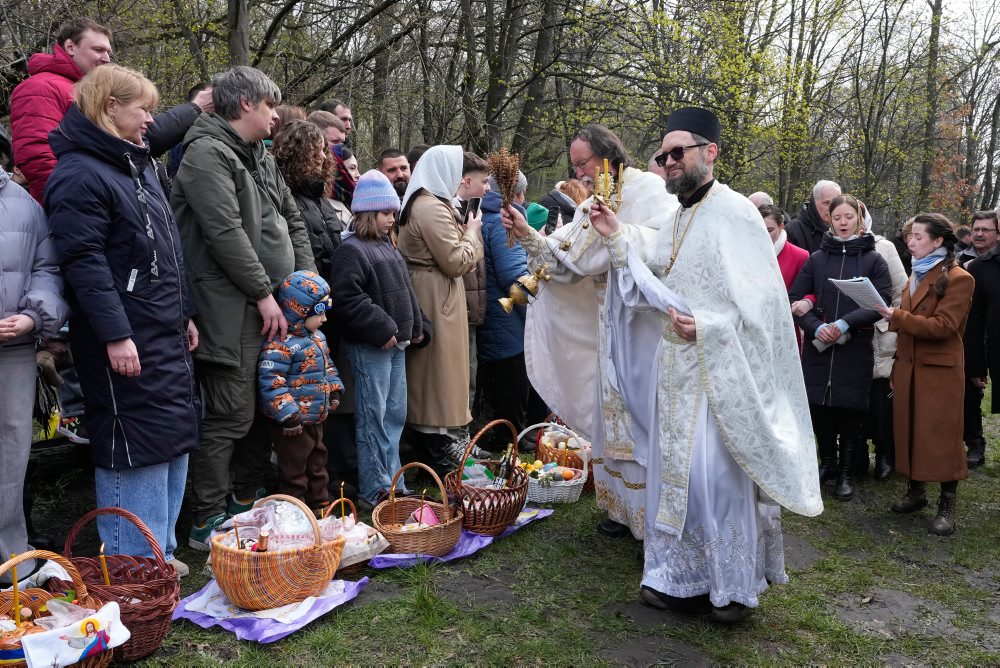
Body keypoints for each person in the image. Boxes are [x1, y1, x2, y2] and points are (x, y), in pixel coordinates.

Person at [504, 106, 822, 623]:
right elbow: (646, 256)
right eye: (663, 155)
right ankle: (681, 580)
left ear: (709, 153)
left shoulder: (736, 211)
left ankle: (733, 589)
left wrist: (713, 327)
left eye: (679, 153)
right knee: (675, 475)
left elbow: (763, 306)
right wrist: (613, 230)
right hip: (674, 365)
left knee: (713, 476)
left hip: (719, 367)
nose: (669, 162)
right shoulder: (676, 216)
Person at [47, 64, 198, 575]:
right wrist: (116, 334)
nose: (150, 122)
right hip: (126, 336)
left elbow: (168, 251)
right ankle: (132, 569)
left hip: (162, 330)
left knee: (171, 443)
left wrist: (187, 314)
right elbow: (84, 263)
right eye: (143, 110)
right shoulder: (79, 175)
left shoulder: (137, 166)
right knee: (133, 449)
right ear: (111, 107)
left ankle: (162, 556)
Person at [172, 65, 316, 550]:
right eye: (270, 105)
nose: (276, 115)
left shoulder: (259, 154)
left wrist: (305, 285)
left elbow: (290, 216)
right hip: (230, 308)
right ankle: (207, 518)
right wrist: (262, 292)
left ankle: (243, 499)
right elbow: (224, 232)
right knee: (231, 413)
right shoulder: (204, 154)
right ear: (245, 105)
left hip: (276, 304)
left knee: (264, 406)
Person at [523, 123, 674, 541]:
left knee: (641, 414)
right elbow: (571, 255)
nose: (579, 173)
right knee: (611, 415)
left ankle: (648, 513)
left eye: (582, 163)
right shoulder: (593, 199)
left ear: (607, 154)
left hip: (641, 324)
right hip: (608, 321)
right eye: (574, 166)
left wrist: (620, 234)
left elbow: (663, 246)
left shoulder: (648, 190)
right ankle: (620, 507)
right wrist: (529, 237)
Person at [10, 16, 213, 202]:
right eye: (98, 50)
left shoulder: (97, 90)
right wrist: (81, 203)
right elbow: (38, 158)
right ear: (70, 46)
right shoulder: (39, 87)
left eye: (108, 52)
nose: (106, 58)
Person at [329, 170, 424, 507]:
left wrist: (416, 325)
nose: (391, 219)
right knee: (374, 417)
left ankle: (393, 480)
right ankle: (375, 487)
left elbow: (404, 290)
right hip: (372, 347)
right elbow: (347, 298)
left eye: (393, 213)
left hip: (395, 346)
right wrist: (382, 328)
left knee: (394, 415)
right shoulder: (351, 250)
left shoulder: (386, 246)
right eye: (386, 213)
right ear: (368, 213)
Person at [788, 194, 892, 501]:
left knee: (849, 411)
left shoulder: (874, 260)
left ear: (859, 219)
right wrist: (816, 327)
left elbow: (881, 303)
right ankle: (828, 464)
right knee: (819, 407)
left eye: (849, 217)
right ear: (828, 221)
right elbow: (796, 296)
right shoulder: (816, 259)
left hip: (854, 345)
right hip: (819, 346)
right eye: (837, 218)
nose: (843, 223)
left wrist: (845, 323)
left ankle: (846, 472)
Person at [877, 213, 973, 535]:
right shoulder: (913, 275)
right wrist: (895, 364)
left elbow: (944, 327)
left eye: (918, 236)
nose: (911, 242)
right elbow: (907, 328)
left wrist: (898, 317)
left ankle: (947, 504)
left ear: (938, 241)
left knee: (942, 436)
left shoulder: (960, 278)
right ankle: (916, 493)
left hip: (939, 372)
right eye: (910, 236)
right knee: (910, 429)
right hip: (909, 366)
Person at [397, 146, 484, 476]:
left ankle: (443, 437)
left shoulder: (430, 203)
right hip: (433, 293)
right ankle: (438, 441)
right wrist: (473, 235)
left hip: (436, 290)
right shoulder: (430, 207)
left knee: (442, 369)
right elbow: (456, 261)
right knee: (438, 371)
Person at [0, 161, 67, 584]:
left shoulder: (23, 204)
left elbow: (49, 269)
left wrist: (33, 317)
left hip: (13, 348)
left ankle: (12, 562)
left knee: (10, 452)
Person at [258, 271, 343, 510]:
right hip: (292, 424)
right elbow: (271, 382)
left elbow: (328, 367)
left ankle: (320, 505)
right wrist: (289, 415)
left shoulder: (318, 339)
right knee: (294, 468)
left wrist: (334, 390)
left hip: (316, 416)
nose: (325, 319)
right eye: (319, 313)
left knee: (318, 462)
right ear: (300, 311)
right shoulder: (280, 345)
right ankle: (296, 509)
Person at [476, 171, 532, 448]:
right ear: (517, 194)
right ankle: (511, 442)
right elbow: (514, 275)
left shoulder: (486, 216)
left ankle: (504, 439)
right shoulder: (503, 223)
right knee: (510, 382)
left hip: (494, 314)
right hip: (506, 316)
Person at [859, 201, 908, 480]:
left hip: (880, 331)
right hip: (850, 335)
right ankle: (855, 453)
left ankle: (884, 452)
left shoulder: (884, 247)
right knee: (854, 398)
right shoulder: (830, 247)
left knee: (881, 400)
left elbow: (901, 292)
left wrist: (893, 324)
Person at [272, 119, 341, 279]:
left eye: (324, 149)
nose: (323, 156)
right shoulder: (283, 198)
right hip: (307, 289)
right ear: (299, 153)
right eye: (316, 150)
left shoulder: (320, 197)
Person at [964, 214, 1000, 468]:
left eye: (985, 230)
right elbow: (974, 322)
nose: (979, 234)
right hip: (987, 346)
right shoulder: (976, 267)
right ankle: (975, 441)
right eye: (975, 229)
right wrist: (976, 366)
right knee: (970, 395)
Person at [760, 204, 808, 289]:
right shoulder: (747, 253)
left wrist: (807, 301)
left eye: (769, 230)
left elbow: (808, 291)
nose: (765, 235)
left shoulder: (800, 256)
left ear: (781, 227)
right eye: (760, 230)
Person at [786, 180, 842, 254]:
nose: (832, 208)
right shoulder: (793, 230)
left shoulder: (846, 228)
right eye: (827, 203)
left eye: (836, 203)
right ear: (814, 202)